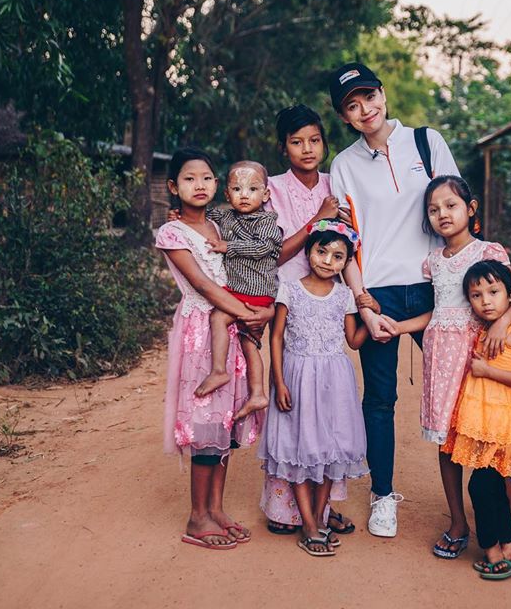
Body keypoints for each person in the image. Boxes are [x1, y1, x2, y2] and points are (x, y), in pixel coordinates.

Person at [327, 61, 458, 537]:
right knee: (380, 399)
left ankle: (492, 493)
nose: (365, 109)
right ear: (345, 116)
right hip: (378, 293)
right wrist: (361, 300)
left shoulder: (426, 142)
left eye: (369, 96)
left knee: (460, 388)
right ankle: (383, 496)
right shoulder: (342, 165)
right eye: (352, 105)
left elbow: (454, 210)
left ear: (383, 92)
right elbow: (346, 243)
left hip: (434, 288)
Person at [385, 175, 511, 558]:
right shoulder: (434, 261)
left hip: (475, 357)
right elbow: (438, 312)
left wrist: (501, 323)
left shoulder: (488, 251)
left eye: (451, 206)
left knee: (483, 437)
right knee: (446, 439)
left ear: (470, 210)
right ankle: (457, 521)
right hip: (440, 358)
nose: (442, 215)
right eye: (434, 210)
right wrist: (400, 327)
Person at [154, 148, 273, 549]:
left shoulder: (223, 227)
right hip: (201, 332)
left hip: (229, 329)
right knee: (205, 422)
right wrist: (248, 313)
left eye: (206, 178)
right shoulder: (172, 233)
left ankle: (216, 509)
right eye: (189, 179)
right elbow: (204, 285)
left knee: (225, 422)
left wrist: (258, 310)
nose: (199, 185)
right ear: (173, 187)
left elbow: (257, 259)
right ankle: (197, 516)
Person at [259, 105, 368, 536]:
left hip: (328, 296)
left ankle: (323, 510)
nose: (307, 149)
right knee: (292, 407)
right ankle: (284, 510)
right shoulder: (270, 189)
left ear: (325, 142)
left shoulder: (334, 182)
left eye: (314, 140)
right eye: (296, 141)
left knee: (325, 413)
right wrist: (316, 219)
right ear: (282, 147)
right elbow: (271, 254)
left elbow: (350, 241)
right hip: (286, 297)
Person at [258, 221, 370, 556]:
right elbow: (276, 337)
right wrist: (278, 381)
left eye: (338, 256)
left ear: (345, 262)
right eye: (322, 251)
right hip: (297, 375)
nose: (327, 260)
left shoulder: (345, 295)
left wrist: (371, 314)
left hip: (335, 381)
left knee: (327, 451)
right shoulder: (289, 289)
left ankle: (320, 520)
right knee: (298, 449)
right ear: (309, 252)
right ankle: (307, 524)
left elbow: (353, 340)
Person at [443, 260, 511, 580]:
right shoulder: (480, 329)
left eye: (494, 292)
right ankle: (509, 547)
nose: (485, 301)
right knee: (494, 484)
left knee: (480, 485)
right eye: (476, 295)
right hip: (481, 421)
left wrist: (487, 371)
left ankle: (491, 549)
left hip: (502, 423)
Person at [196, 161, 282, 423]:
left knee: (218, 318)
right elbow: (204, 215)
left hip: (255, 290)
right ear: (227, 194)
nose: (244, 194)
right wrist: (179, 214)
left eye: (253, 188)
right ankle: (257, 393)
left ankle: (219, 370)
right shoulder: (227, 216)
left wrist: (227, 246)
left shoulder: (267, 221)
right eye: (237, 188)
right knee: (249, 341)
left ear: (266, 195)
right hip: (240, 290)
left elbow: (262, 248)